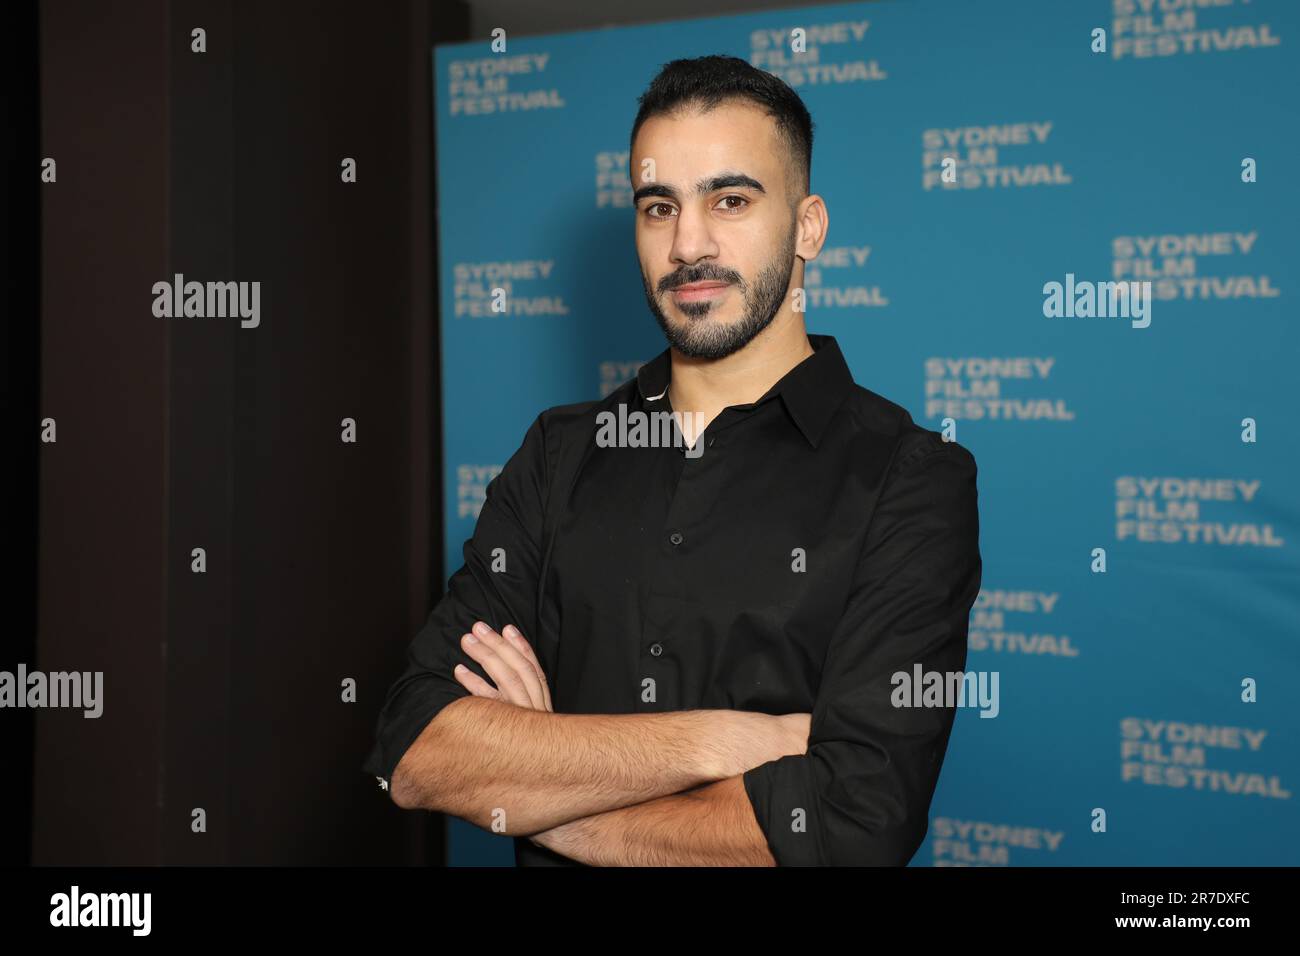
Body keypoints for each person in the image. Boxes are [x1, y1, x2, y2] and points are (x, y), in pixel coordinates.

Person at [362, 54, 982, 866]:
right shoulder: (559, 454)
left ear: (808, 227)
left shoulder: (912, 476)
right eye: (660, 206)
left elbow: (850, 823)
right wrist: (715, 742)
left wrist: (544, 800)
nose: (689, 243)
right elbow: (416, 752)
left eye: (730, 199)